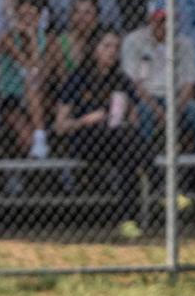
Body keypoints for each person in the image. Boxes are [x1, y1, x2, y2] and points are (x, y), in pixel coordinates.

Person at [54, 30, 152, 237]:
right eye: (106, 46)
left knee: (128, 153)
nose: (111, 52)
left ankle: (127, 221)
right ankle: (161, 185)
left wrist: (125, 120)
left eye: (116, 47)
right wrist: (84, 120)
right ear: (94, 49)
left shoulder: (120, 79)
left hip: (117, 140)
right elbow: (60, 126)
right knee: (128, 145)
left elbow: (134, 118)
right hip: (86, 140)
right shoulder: (78, 78)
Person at [121, 1, 195, 185]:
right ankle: (147, 172)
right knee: (143, 113)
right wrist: (160, 112)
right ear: (150, 20)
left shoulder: (184, 43)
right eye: (159, 21)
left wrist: (173, 111)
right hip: (147, 98)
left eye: (168, 21)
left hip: (177, 100)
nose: (164, 26)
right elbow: (133, 84)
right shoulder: (134, 41)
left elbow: (189, 83)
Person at [0, 0, 53, 159]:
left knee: (32, 83)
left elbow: (38, 68)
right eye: (23, 15)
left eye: (31, 15)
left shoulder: (43, 38)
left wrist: (32, 37)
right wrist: (28, 37)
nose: (27, 19)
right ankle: (39, 140)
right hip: (10, 96)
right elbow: (27, 66)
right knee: (27, 141)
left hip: (36, 96)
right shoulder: (9, 38)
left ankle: (40, 137)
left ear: (39, 17)